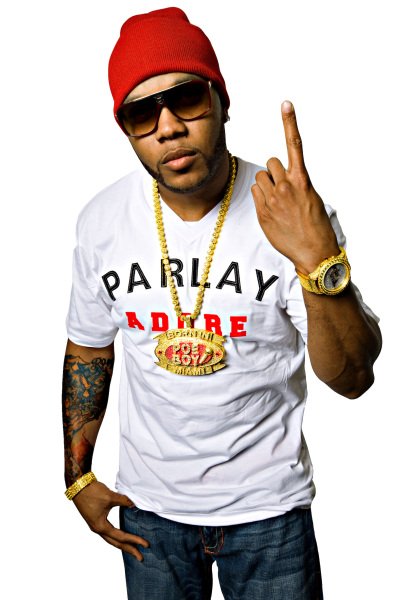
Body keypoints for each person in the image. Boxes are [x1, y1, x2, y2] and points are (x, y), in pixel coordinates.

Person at [62, 7, 382, 599]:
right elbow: (89, 348)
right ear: (127, 131)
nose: (167, 127)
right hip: (150, 511)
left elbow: (353, 378)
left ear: (221, 101)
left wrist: (317, 262)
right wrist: (77, 476)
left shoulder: (290, 213)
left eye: (186, 99)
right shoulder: (102, 222)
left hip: (269, 514)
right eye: (142, 112)